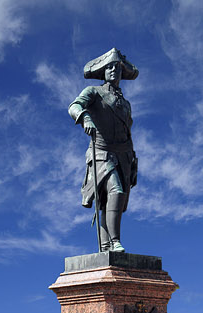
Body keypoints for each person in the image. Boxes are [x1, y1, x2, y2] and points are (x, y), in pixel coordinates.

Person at [68, 48, 138, 253]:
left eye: (117, 67)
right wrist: (85, 117)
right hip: (101, 151)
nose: (113, 70)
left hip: (124, 154)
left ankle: (106, 245)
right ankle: (115, 241)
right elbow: (74, 106)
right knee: (115, 191)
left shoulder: (126, 104)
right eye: (109, 67)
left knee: (111, 201)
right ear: (103, 71)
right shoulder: (93, 92)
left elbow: (128, 133)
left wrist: (133, 162)